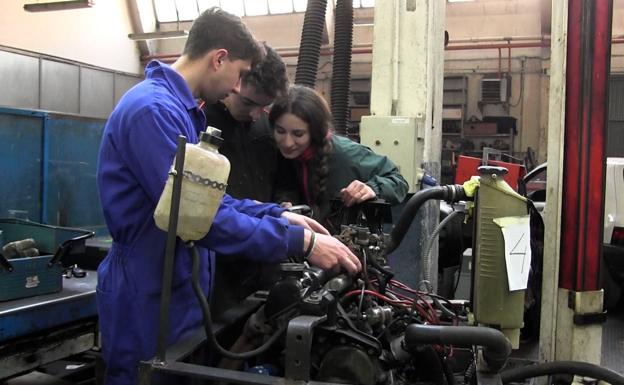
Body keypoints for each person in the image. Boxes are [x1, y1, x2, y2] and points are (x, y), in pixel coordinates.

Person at [96, 8, 361, 385]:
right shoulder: (152, 112)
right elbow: (195, 216)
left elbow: (207, 200)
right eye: (238, 74)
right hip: (147, 291)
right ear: (219, 58)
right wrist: (299, 242)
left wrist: (277, 216)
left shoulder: (179, 112)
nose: (237, 88)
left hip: (176, 284)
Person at [269, 85, 409, 230]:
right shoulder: (284, 156)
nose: (287, 142)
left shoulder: (346, 154)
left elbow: (399, 182)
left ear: (316, 132)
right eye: (280, 131)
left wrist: (372, 187)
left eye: (298, 134)